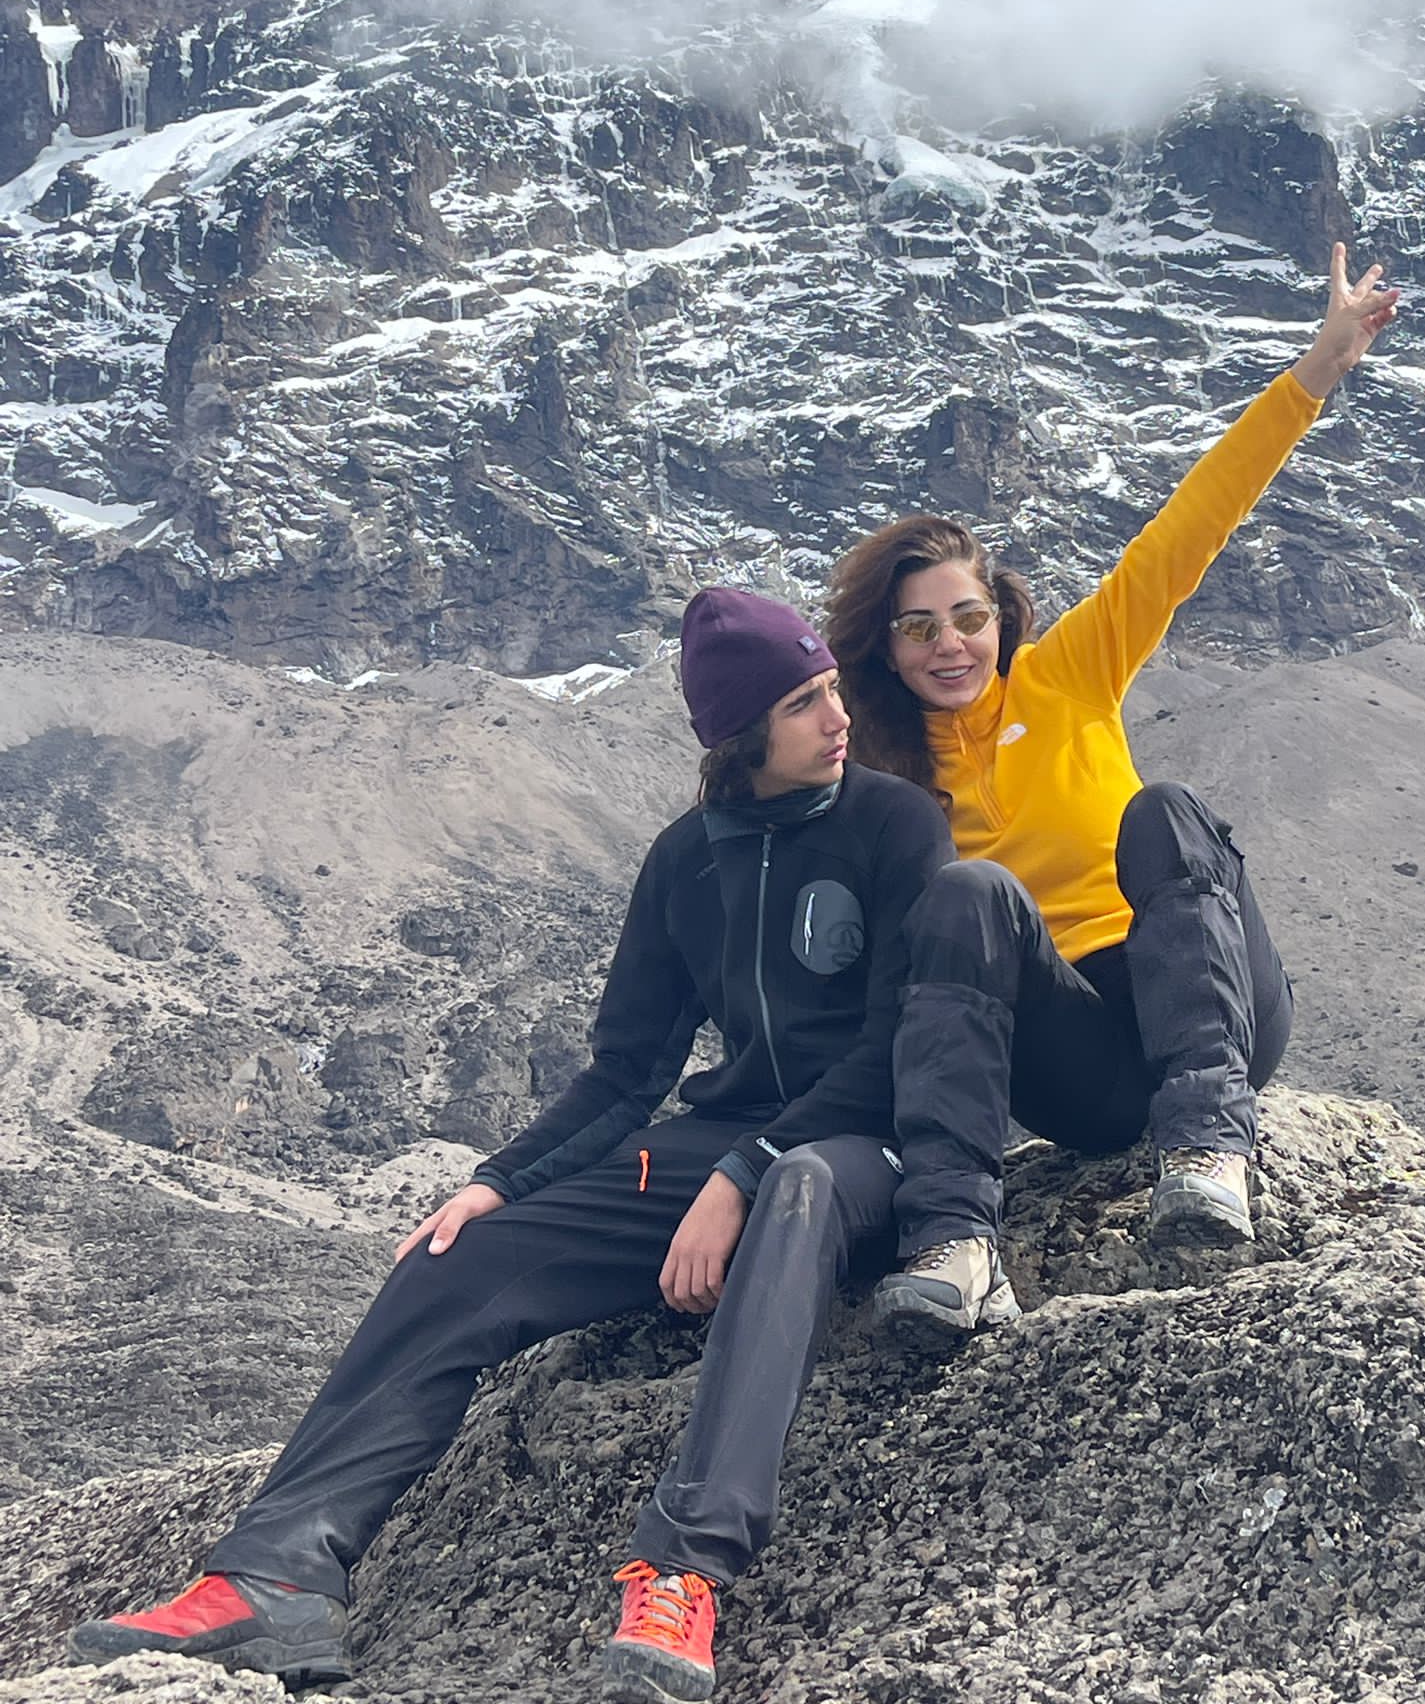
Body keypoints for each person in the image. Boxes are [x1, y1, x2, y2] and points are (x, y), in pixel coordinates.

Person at [70, 590, 955, 1704]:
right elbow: (628, 1072)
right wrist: (497, 1184)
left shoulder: (896, 823)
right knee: (455, 1259)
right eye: (801, 701)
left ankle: (685, 1572)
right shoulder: (685, 860)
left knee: (795, 1186)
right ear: (739, 735)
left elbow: (897, 1040)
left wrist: (745, 1171)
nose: (836, 716)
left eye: (829, 686)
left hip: (857, 1148)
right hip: (718, 1144)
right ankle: (275, 1576)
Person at [823, 243, 1400, 1341]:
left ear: (1003, 617)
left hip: (1211, 1002)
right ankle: (952, 1241)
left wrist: (1319, 366)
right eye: (919, 626)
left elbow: (1194, 523)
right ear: (885, 649)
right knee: (963, 896)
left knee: (1165, 810)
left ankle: (1210, 1150)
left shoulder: (1070, 672)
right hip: (1079, 1064)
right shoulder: (886, 779)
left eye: (969, 616)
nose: (951, 643)